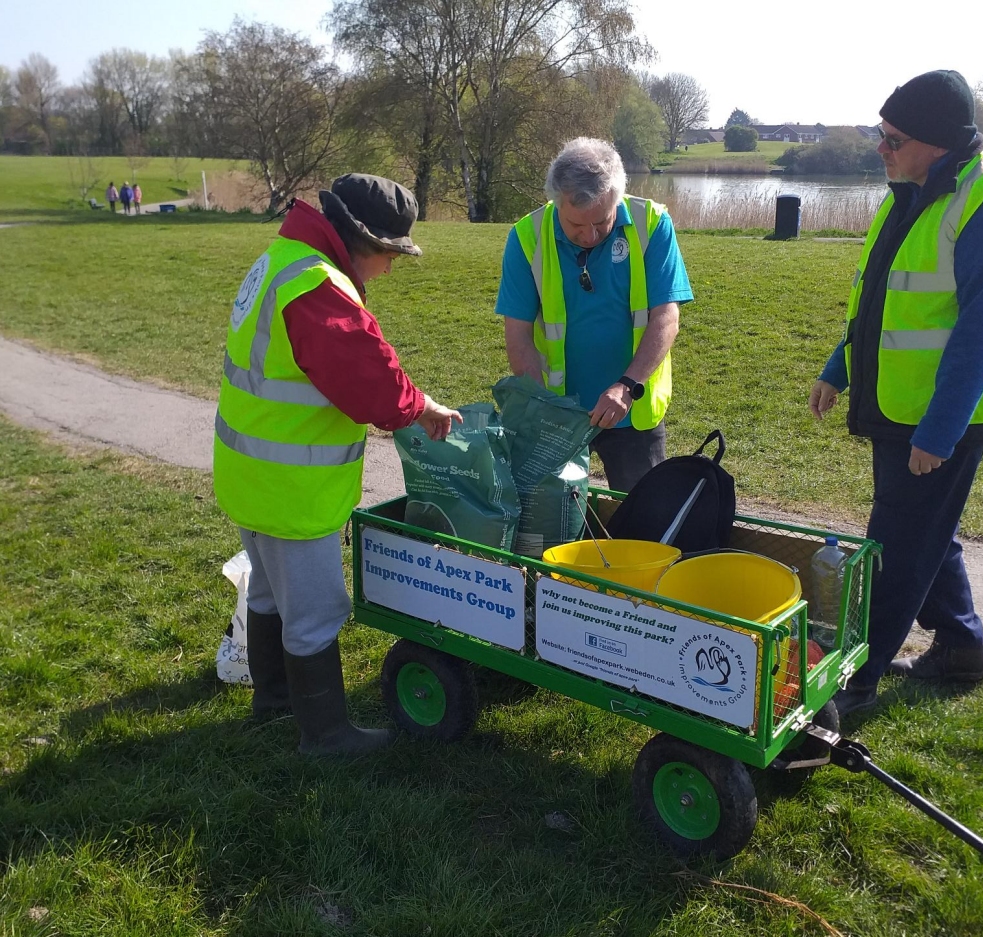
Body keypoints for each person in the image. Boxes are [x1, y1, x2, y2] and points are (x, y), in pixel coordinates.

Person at [213, 174, 462, 755]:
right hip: (293, 489)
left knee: (270, 596)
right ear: (360, 239)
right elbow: (370, 382)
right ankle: (325, 736)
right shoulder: (318, 287)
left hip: (251, 475)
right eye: (389, 254)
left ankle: (273, 703)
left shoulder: (282, 258)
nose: (391, 268)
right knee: (317, 612)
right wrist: (419, 407)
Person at [809, 70, 983, 717]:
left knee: (892, 544)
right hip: (898, 402)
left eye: (892, 137)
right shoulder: (910, 189)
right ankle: (963, 647)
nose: (880, 147)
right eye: (878, 133)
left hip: (942, 416)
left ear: (937, 142)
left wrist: (938, 432)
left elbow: (982, 330)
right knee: (926, 530)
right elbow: (882, 300)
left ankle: (853, 682)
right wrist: (839, 367)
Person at [495, 137, 693, 493]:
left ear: (618, 198)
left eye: (601, 222)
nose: (589, 235)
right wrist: (544, 406)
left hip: (633, 410)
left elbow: (667, 317)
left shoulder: (653, 223)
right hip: (560, 414)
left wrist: (626, 387)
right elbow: (518, 334)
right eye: (575, 226)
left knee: (643, 527)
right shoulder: (527, 236)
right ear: (556, 203)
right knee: (555, 524)